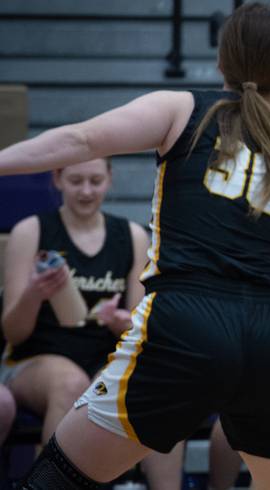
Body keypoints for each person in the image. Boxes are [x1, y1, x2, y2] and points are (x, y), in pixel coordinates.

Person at [0, 3, 270, 489]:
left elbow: (79, 139)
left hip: (185, 322)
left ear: (222, 62)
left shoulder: (180, 109)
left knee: (58, 478)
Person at [0, 157, 184, 489]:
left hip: (105, 356)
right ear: (57, 179)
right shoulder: (31, 231)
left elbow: (136, 328)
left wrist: (120, 321)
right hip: (35, 360)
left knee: (154, 385)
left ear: (110, 180)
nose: (86, 191)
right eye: (76, 181)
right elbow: (13, 331)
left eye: (95, 181)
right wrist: (33, 293)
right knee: (71, 383)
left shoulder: (131, 236)